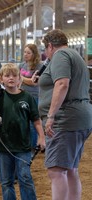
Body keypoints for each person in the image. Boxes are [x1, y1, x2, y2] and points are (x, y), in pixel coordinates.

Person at [32, 29, 92, 200]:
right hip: (80, 117)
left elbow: (62, 84)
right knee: (71, 169)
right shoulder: (75, 55)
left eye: (45, 50)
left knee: (56, 171)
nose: (45, 54)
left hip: (65, 119)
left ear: (50, 46)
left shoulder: (60, 56)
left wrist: (50, 116)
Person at [0, 63, 45, 200]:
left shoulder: (27, 98)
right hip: (3, 146)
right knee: (6, 181)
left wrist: (41, 137)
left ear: (19, 79)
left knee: (25, 178)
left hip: (23, 146)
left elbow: (36, 119)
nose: (11, 78)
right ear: (1, 79)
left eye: (14, 75)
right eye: (7, 75)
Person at [19, 44, 43, 151]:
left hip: (33, 96)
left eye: (29, 53)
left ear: (34, 54)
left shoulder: (39, 66)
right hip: (22, 95)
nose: (26, 55)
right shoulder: (22, 65)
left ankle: (32, 145)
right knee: (23, 121)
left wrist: (21, 78)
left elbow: (34, 83)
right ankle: (25, 143)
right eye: (25, 52)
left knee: (33, 122)